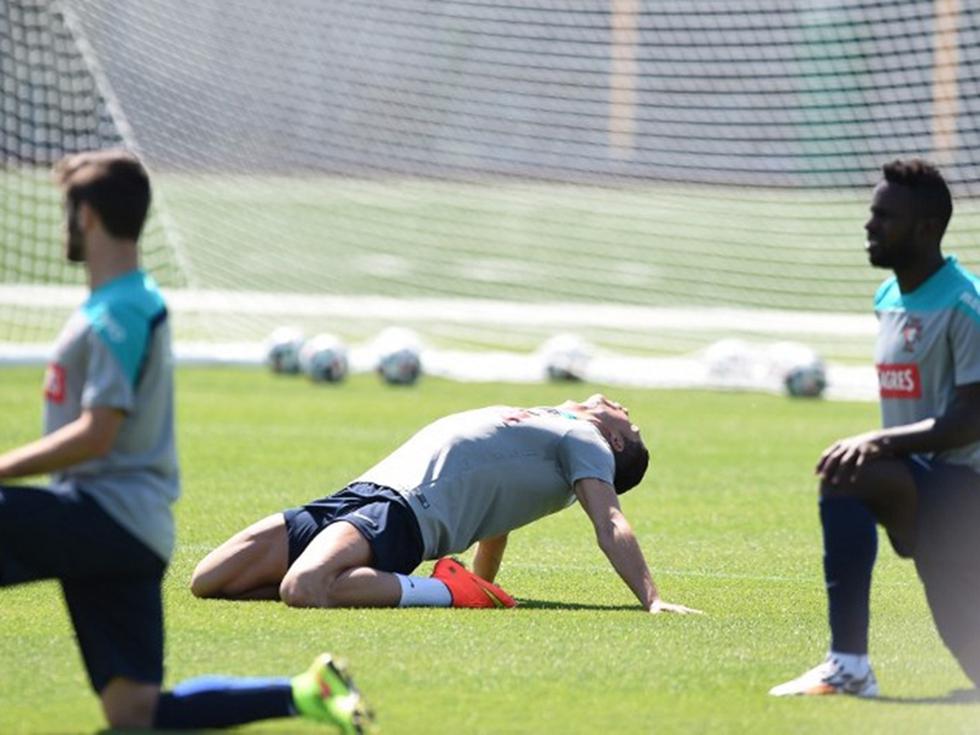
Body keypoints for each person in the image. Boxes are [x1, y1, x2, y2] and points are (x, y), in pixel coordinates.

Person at [0, 150, 372, 733]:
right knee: (136, 716)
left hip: (100, 517)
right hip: (131, 534)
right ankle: (304, 693)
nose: (63, 226)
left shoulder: (118, 311)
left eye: (68, 211)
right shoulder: (129, 301)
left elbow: (98, 435)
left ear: (89, 216)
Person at [770, 159, 980, 698]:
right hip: (929, 484)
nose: (869, 225)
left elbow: (973, 417)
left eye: (884, 216)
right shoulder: (888, 299)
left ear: (926, 229)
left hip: (965, 491)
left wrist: (881, 443)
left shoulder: (967, 304)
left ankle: (849, 666)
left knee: (848, 475)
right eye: (872, 212)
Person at [192, 395, 701, 616]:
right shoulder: (547, 428)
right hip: (354, 495)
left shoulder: (586, 440)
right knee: (210, 580)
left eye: (630, 424)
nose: (626, 411)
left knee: (304, 588)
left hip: (403, 511)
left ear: (614, 444)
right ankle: (447, 588)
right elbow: (499, 518)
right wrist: (485, 581)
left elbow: (609, 519)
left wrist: (651, 598)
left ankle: (440, 592)